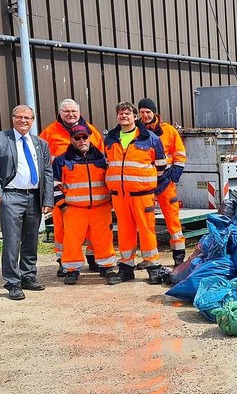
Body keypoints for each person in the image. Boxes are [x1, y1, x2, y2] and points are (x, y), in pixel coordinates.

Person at [0, 105, 54, 300]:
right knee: (12, 241)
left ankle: (28, 276)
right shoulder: (0, 139)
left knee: (31, 239)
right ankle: (13, 282)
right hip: (11, 196)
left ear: (32, 121)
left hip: (34, 197)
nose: (24, 120)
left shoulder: (40, 143)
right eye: (20, 117)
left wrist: (48, 198)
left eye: (28, 118)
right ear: (13, 118)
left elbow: (47, 173)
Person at [104, 101, 166, 285]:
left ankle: (153, 267)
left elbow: (161, 167)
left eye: (128, 114)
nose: (124, 116)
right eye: (121, 114)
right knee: (124, 232)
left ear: (134, 117)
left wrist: (149, 186)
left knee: (147, 230)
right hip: (119, 196)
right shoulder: (110, 139)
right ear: (117, 116)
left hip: (142, 195)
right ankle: (126, 269)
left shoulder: (150, 138)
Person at [40, 99, 105, 275]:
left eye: (73, 111)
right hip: (63, 192)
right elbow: (39, 159)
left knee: (95, 230)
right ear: (60, 112)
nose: (70, 115)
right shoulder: (49, 132)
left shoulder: (92, 131)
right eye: (66, 111)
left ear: (79, 112)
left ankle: (94, 258)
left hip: (91, 193)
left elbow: (102, 158)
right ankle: (64, 261)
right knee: (62, 230)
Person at [52, 124, 116, 285]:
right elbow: (53, 185)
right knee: (72, 241)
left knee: (103, 240)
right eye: (77, 138)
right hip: (74, 209)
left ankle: (107, 267)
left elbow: (112, 180)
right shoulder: (62, 160)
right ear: (71, 140)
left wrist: (110, 202)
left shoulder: (102, 159)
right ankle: (71, 270)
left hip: (101, 208)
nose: (82, 141)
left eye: (84, 137)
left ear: (89, 137)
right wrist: (63, 206)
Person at [138, 97, 187, 267]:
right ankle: (150, 258)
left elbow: (179, 154)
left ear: (154, 113)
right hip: (145, 183)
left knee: (172, 219)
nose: (145, 115)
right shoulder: (135, 131)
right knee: (147, 221)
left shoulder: (169, 131)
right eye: (142, 112)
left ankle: (179, 254)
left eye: (148, 112)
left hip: (165, 181)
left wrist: (174, 176)